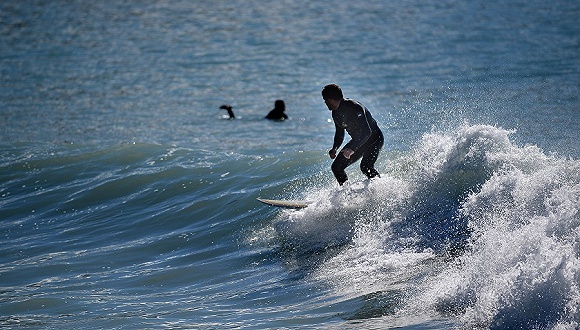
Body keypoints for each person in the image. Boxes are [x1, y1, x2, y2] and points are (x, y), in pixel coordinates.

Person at [321, 84, 384, 185]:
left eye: (325, 100)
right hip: (359, 141)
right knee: (336, 167)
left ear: (330, 100)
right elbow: (339, 133)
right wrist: (335, 148)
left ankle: (382, 188)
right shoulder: (335, 113)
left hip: (374, 138)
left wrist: (352, 149)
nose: (325, 103)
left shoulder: (354, 107)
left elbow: (367, 131)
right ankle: (347, 195)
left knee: (366, 167)